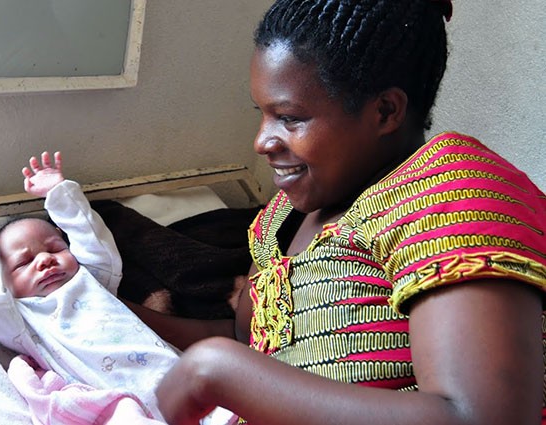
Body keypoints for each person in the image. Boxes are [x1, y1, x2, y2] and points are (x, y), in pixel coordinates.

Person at [121, 1, 546, 424]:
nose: (262, 141)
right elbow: (245, 343)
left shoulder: (455, 197)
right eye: (263, 114)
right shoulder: (283, 217)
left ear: (385, 112)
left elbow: (478, 416)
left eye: (289, 118)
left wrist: (214, 370)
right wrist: (101, 307)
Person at [0, 152, 236, 425]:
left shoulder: (91, 279)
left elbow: (94, 242)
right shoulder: (19, 320)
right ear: (4, 282)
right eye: (25, 262)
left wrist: (60, 194)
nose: (44, 260)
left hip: (172, 379)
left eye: (54, 249)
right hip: (120, 403)